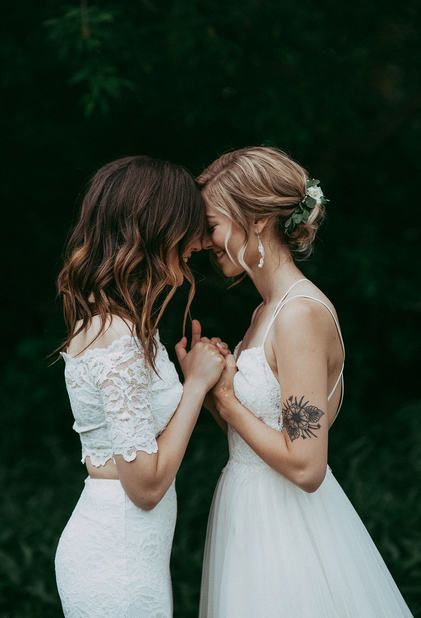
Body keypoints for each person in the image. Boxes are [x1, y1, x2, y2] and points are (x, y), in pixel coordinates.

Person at [197, 146, 413, 617]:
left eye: (212, 224)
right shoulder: (263, 313)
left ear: (255, 220)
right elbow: (255, 438)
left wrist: (229, 401)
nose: (206, 240)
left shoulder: (298, 315)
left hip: (289, 532)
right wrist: (212, 391)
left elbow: (306, 465)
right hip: (248, 517)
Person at [54, 155, 226, 617]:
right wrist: (195, 386)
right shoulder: (120, 338)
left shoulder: (120, 327)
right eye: (189, 227)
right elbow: (145, 485)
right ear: (156, 229)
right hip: (118, 557)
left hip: (129, 550)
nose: (199, 242)